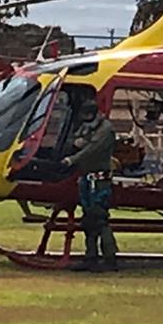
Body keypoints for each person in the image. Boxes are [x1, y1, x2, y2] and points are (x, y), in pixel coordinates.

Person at [61, 99, 119, 272]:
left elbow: (92, 150)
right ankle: (90, 256)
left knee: (99, 218)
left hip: (99, 181)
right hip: (87, 179)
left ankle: (110, 257)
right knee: (88, 220)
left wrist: (72, 159)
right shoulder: (88, 127)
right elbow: (77, 139)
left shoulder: (106, 130)